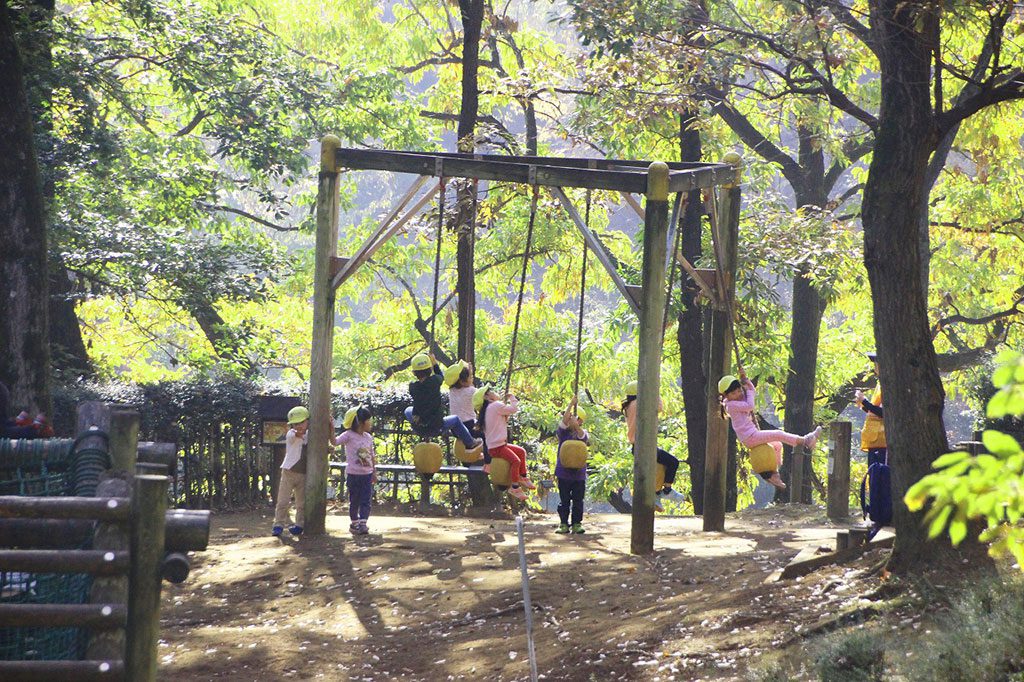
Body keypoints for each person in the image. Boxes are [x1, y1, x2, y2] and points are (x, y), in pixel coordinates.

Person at [719, 370, 821, 490]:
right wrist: (749, 390)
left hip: (751, 435)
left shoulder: (734, 400)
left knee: (777, 445)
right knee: (778, 434)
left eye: (739, 391)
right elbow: (750, 405)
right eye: (734, 393)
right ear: (726, 396)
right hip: (750, 437)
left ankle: (773, 475)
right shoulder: (731, 406)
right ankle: (805, 441)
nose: (738, 394)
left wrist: (746, 381)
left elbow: (750, 394)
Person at [622, 380, 680, 511]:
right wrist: (655, 391)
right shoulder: (639, 404)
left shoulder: (629, 406)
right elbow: (659, 407)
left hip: (638, 446)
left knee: (660, 467)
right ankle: (667, 490)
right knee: (673, 462)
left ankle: (657, 495)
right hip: (644, 446)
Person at [405, 353, 482, 451]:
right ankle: (471, 442)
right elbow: (441, 375)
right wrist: (435, 363)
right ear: (430, 370)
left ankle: (415, 422)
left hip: (419, 426)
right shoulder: (435, 381)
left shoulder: (412, 387)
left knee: (408, 410)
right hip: (437, 426)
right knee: (456, 419)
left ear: (414, 373)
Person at [475, 384, 535, 501]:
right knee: (515, 461)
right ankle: (515, 487)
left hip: (497, 445)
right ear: (487, 397)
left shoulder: (489, 409)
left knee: (521, 452)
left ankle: (523, 476)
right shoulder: (496, 405)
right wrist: (512, 398)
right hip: (498, 447)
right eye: (491, 391)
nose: (494, 392)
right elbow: (514, 409)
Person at [335, 405, 376, 535]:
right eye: (368, 420)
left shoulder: (368, 437)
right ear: (360, 422)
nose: (371, 422)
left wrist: (374, 472)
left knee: (366, 500)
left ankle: (363, 522)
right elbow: (334, 442)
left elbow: (371, 455)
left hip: (367, 474)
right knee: (354, 500)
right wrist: (330, 428)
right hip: (353, 474)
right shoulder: (348, 435)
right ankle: (354, 522)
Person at [272, 406, 309, 537]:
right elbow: (297, 435)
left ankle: (300, 524)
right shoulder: (290, 434)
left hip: (304, 473)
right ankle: (278, 524)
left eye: (302, 422)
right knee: (282, 501)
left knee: (301, 502)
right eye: (296, 423)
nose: (299, 425)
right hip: (289, 472)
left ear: (307, 421)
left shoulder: (311, 434)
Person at [554, 398, 589, 534]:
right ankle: (563, 523)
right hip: (563, 473)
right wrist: (570, 405)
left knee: (578, 500)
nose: (570, 421)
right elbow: (563, 423)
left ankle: (576, 523)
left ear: (580, 421)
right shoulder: (563, 434)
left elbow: (583, 437)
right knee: (564, 500)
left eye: (574, 419)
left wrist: (576, 425)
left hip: (579, 475)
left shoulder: (583, 433)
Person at [445, 360, 487, 469]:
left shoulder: (452, 390)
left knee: (468, 440)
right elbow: (480, 396)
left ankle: (468, 459)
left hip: (455, 429)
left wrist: (469, 370)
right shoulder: (471, 391)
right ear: (462, 381)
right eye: (470, 377)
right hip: (469, 425)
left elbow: (459, 380)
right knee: (486, 435)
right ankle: (487, 458)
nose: (472, 379)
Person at [853, 351, 886, 467]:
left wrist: (865, 402)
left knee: (878, 477)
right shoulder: (881, 384)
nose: (875, 367)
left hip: (882, 442)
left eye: (877, 363)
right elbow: (876, 411)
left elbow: (886, 413)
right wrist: (863, 405)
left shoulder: (888, 385)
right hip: (875, 442)